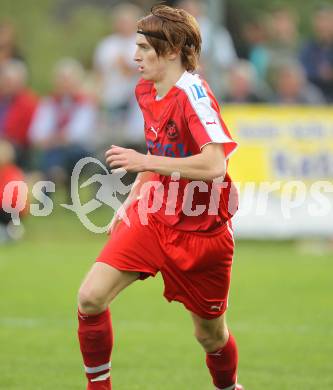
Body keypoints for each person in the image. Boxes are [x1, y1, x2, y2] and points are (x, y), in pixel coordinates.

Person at [77, 5, 243, 390]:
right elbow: (163, 149)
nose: (133, 56)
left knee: (210, 336)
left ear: (171, 50)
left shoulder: (194, 95)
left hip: (203, 233)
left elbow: (215, 163)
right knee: (90, 298)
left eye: (143, 48)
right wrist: (133, 196)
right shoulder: (145, 89)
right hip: (154, 216)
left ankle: (228, 387)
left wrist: (141, 162)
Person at [29, 58, 97, 189]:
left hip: (79, 150)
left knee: (60, 153)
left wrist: (53, 139)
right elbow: (36, 133)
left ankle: (51, 182)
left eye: (68, 80)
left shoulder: (86, 103)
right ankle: (56, 173)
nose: (65, 85)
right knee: (51, 154)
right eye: (62, 80)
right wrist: (53, 139)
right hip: (53, 148)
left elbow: (78, 134)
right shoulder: (49, 102)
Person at [0, 59, 38, 170]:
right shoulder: (2, 99)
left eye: (10, 81)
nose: (7, 84)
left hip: (18, 147)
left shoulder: (29, 103)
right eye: (5, 80)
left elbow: (29, 134)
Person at [300, 4, 333, 102]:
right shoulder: (308, 47)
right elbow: (302, 70)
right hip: (314, 93)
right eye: (319, 20)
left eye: (325, 20)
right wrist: (319, 74)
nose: (322, 25)